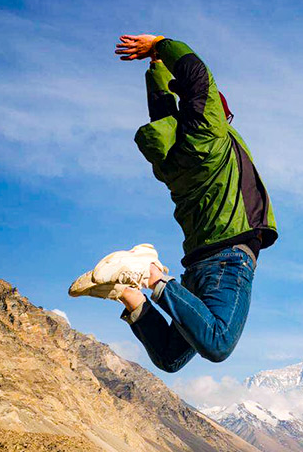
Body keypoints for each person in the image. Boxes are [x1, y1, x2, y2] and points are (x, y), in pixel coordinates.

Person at [69, 34, 278, 371]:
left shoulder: (173, 155)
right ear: (215, 114)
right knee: (218, 342)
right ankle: (149, 275)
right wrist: (162, 43)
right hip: (228, 260)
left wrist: (156, 68)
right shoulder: (207, 136)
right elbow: (197, 77)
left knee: (170, 356)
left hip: (202, 265)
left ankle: (127, 291)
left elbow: (164, 115)